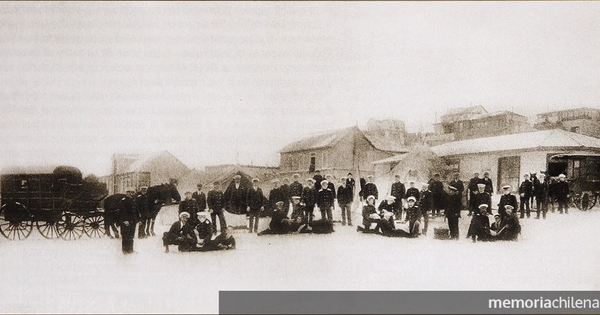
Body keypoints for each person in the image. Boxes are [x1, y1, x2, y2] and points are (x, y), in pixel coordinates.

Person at [118, 188, 139, 254]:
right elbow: (122, 212)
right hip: (126, 222)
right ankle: (125, 250)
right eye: (129, 192)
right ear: (126, 193)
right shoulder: (123, 201)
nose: (131, 194)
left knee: (131, 236)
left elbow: (136, 211)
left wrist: (138, 220)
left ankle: (130, 250)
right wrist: (125, 220)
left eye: (132, 192)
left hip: (133, 221)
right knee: (125, 236)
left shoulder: (134, 201)